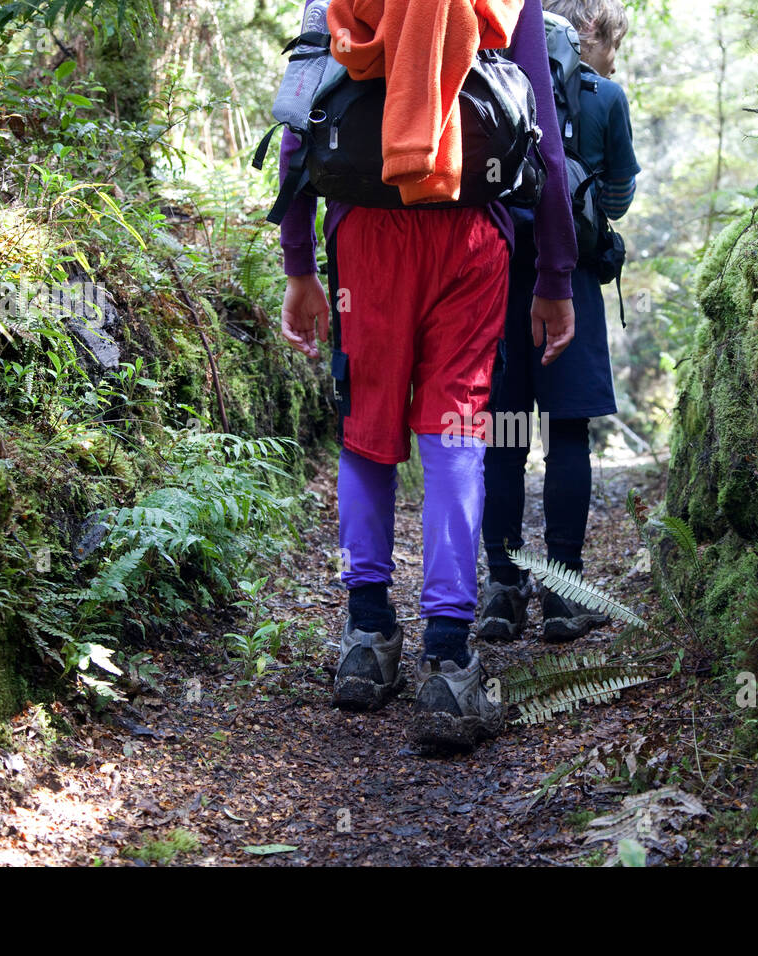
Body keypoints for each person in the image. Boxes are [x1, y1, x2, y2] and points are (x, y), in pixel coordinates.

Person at [276, 0, 578, 751]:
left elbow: (301, 113)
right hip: (471, 231)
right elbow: (540, 129)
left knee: (365, 426)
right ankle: (448, 658)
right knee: (457, 429)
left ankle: (367, 633)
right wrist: (556, 275)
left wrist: (298, 264)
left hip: (363, 226)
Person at [478, 0, 640, 642]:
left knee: (503, 437)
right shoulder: (605, 97)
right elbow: (621, 197)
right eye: (610, 47)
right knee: (567, 434)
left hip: (493, 273)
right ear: (592, 31)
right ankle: (563, 593)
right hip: (566, 274)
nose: (607, 61)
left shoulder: (496, 71)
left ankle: (500, 588)